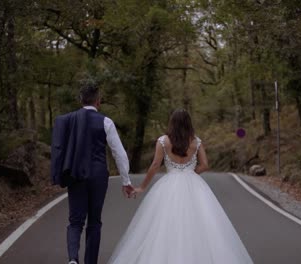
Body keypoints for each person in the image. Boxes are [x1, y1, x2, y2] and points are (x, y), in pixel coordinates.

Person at [107, 109, 253, 264]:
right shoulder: (196, 142)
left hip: (169, 185)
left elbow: (155, 165)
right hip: (194, 185)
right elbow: (205, 165)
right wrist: (191, 173)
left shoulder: (163, 141)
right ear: (188, 123)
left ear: (172, 123)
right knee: (202, 224)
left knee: (163, 225)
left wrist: (142, 187)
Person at [50, 80, 135, 264]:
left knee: (75, 220)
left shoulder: (69, 121)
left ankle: (73, 259)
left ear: (81, 100)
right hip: (98, 176)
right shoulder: (106, 121)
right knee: (94, 221)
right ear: (98, 101)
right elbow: (119, 153)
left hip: (75, 174)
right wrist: (125, 181)